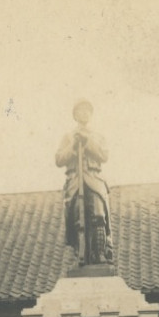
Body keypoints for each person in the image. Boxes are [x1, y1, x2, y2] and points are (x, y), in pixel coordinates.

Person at [55, 99, 114, 266]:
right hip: (74, 180)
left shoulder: (98, 136)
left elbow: (104, 155)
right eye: (80, 111)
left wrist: (87, 142)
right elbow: (59, 159)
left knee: (99, 215)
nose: (84, 113)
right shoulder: (68, 137)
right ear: (75, 115)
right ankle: (79, 255)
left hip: (94, 179)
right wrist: (73, 145)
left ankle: (101, 253)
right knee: (76, 218)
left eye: (87, 111)